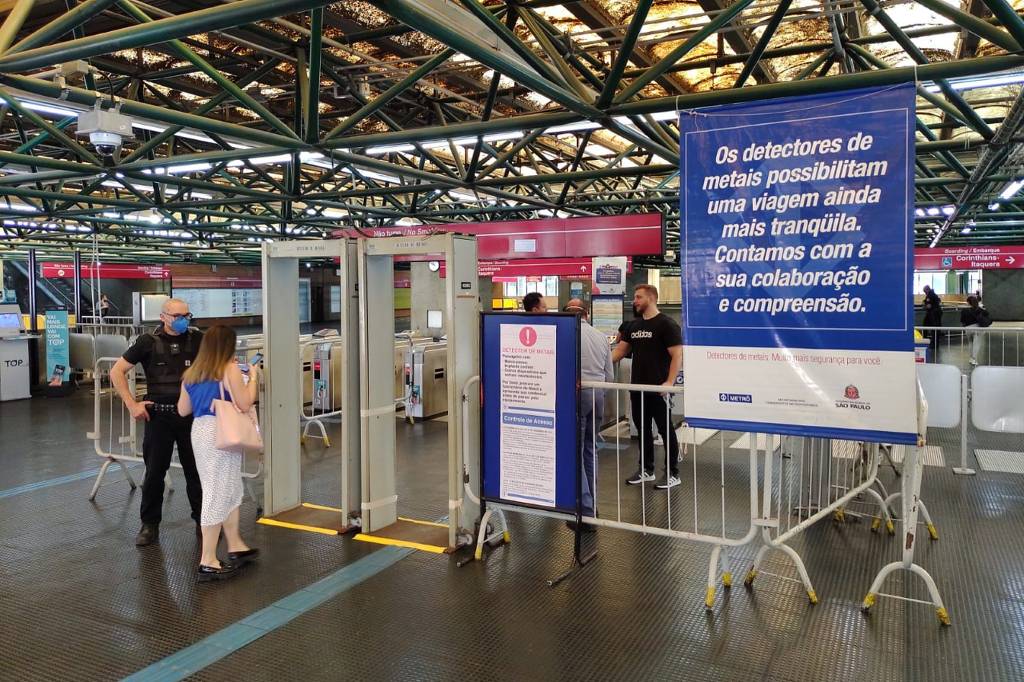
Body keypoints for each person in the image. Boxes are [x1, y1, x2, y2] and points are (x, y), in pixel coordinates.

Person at [110, 298, 203, 546]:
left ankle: (203, 521)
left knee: (196, 472)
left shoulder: (197, 340)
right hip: (158, 417)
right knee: (154, 474)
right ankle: (149, 525)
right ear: (163, 317)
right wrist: (132, 404)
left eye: (187, 315)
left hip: (191, 416)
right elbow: (116, 371)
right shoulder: (148, 343)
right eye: (177, 316)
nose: (184, 320)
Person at [177, 325, 259, 582]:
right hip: (222, 430)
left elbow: (182, 410)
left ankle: (235, 545)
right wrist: (254, 378)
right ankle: (208, 560)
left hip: (201, 430)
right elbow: (245, 402)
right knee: (216, 492)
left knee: (230, 487)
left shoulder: (190, 374)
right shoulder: (230, 368)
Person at [611, 284, 683, 489]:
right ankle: (647, 469)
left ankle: (672, 473)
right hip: (638, 388)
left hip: (658, 389)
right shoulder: (634, 327)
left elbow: (677, 355)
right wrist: (595, 363)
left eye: (638, 297)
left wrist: (669, 382)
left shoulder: (666, 324)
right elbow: (619, 353)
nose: (634, 301)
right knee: (642, 430)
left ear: (651, 298)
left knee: (665, 429)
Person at [565, 299, 613, 531]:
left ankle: (585, 509)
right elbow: (609, 375)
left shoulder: (566, 335)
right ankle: (593, 505)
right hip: (598, 395)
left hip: (576, 395)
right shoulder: (601, 336)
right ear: (587, 313)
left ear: (568, 314)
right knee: (590, 449)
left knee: (573, 452)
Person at [960, 295, 991, 366]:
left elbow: (962, 321)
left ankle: (971, 358)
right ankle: (974, 359)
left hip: (968, 329)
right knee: (976, 344)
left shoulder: (964, 311)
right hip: (977, 329)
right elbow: (987, 315)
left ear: (968, 302)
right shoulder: (980, 310)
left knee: (970, 343)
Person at [921, 285, 943, 351]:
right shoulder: (933, 294)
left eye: (925, 292)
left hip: (934, 314)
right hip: (935, 314)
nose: (925, 293)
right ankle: (934, 344)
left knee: (932, 329)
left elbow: (928, 306)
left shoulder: (930, 295)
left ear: (927, 290)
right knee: (934, 329)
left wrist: (924, 306)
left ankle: (929, 343)